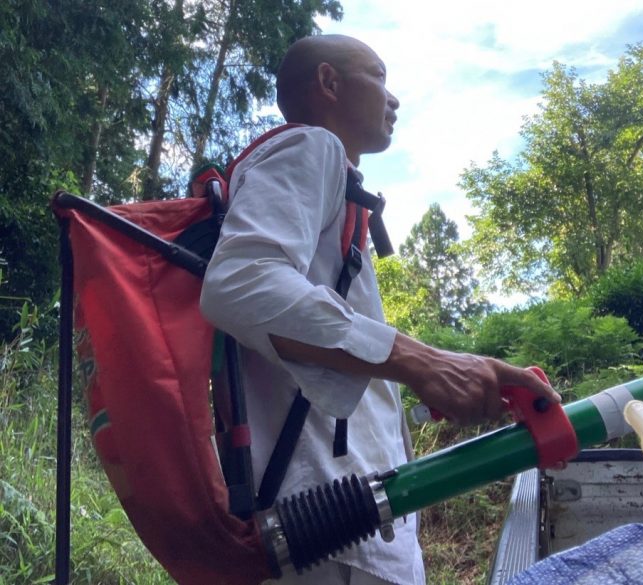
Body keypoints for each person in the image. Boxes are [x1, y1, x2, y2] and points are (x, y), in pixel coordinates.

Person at [200, 34, 560, 585]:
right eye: (380, 77)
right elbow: (240, 283)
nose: (394, 99)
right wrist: (423, 363)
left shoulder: (333, 185)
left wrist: (447, 366)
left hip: (344, 530)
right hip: (327, 535)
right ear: (329, 82)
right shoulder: (311, 147)